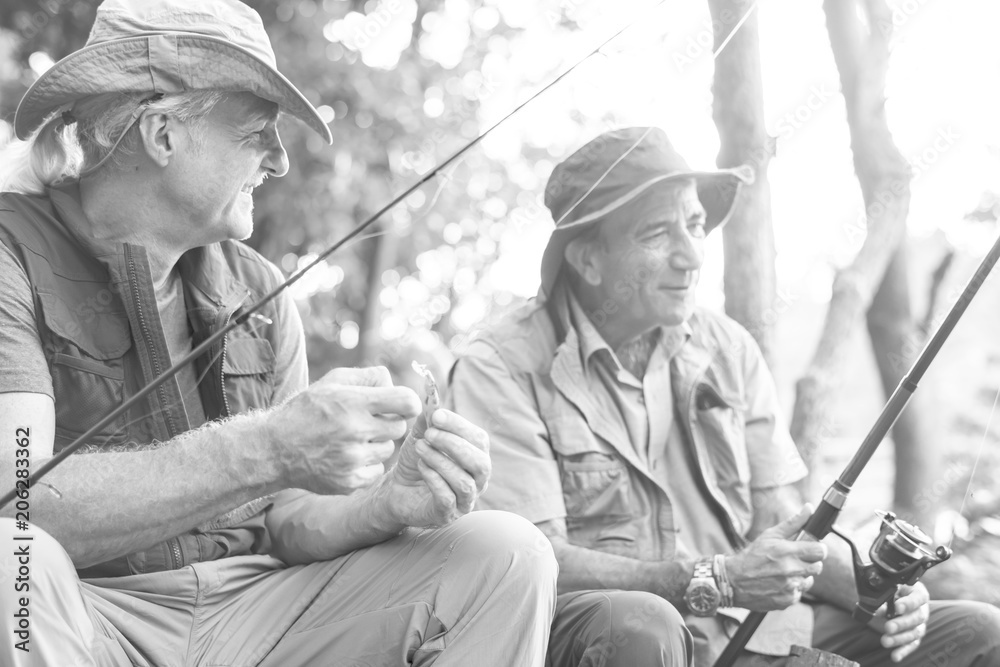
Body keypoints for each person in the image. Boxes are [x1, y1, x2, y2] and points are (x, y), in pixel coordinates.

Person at [0, 1, 557, 665]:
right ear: (163, 134)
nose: (280, 160)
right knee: (12, 562)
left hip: (255, 612)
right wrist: (267, 446)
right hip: (89, 614)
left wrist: (386, 500)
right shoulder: (11, 253)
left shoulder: (259, 289)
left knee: (505, 553)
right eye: (257, 131)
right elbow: (20, 495)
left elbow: (287, 518)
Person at [446, 126, 1000, 666]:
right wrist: (718, 580)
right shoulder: (500, 367)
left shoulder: (728, 347)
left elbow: (779, 519)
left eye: (694, 224)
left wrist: (873, 591)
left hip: (757, 633)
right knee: (643, 625)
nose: (691, 254)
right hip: (617, 642)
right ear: (587, 259)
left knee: (979, 632)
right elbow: (535, 564)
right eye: (657, 234)